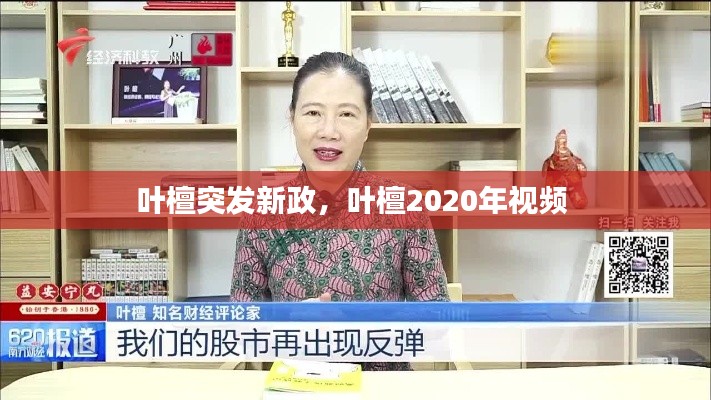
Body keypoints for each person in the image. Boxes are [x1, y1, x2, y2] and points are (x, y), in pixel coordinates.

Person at [230, 51, 451, 371]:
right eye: (313, 113)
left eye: (346, 114)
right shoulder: (262, 213)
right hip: (295, 387)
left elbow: (438, 324)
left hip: (382, 389)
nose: (329, 131)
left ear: (368, 124)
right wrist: (287, 324)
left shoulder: (403, 206)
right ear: (292, 118)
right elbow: (240, 326)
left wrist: (363, 326)